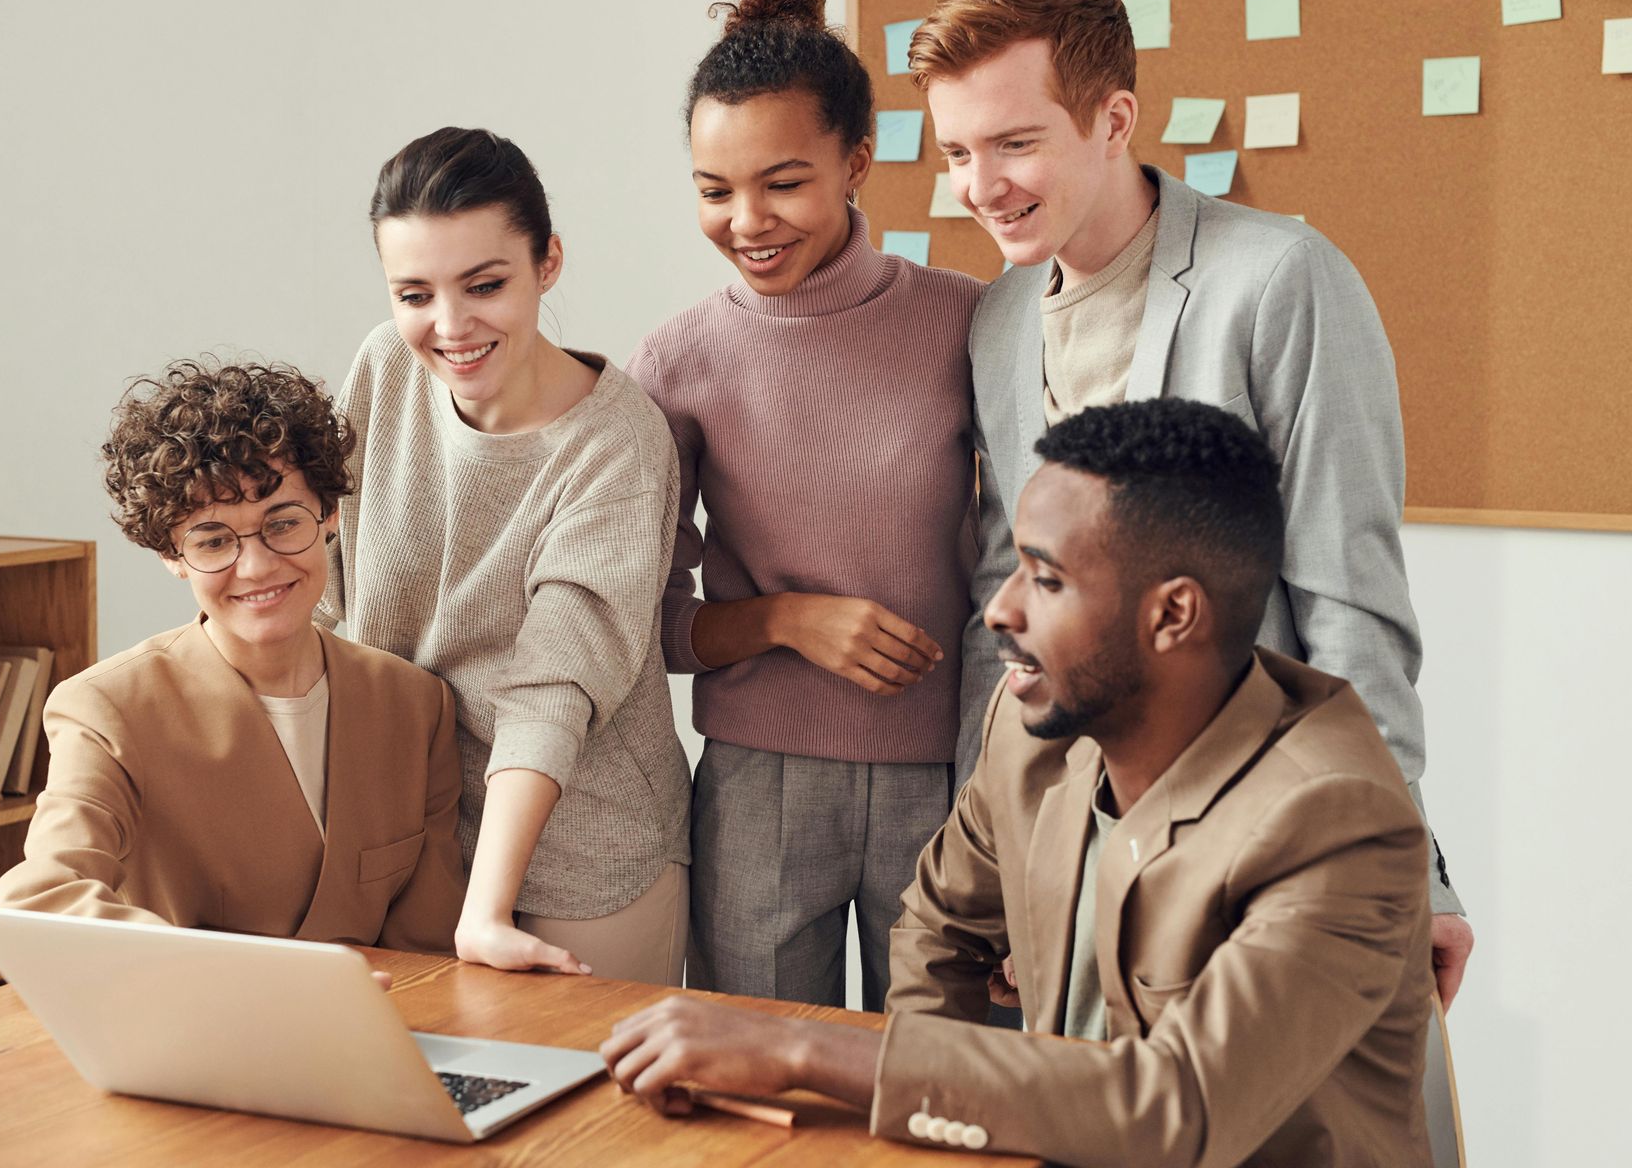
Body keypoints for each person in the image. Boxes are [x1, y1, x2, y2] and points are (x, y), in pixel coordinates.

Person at [602, 398, 1435, 1165]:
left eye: (1045, 578)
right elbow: (938, 928)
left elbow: (1178, 1107)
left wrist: (800, 1049)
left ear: (1173, 614)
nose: (1000, 610)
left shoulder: (1337, 818)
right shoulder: (1035, 730)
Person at [914, 0, 1471, 1006]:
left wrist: (1407, 869)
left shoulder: (1278, 279)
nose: (980, 187)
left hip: (1262, 823)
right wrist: (1004, 878)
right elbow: (1012, 616)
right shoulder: (995, 321)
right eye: (957, 151)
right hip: (1074, 837)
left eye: (1015, 143)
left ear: (1114, 121)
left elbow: (1353, 602)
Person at [625, 0, 983, 1011]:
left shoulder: (971, 326)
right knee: (764, 1106)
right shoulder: (676, 363)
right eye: (712, 188)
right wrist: (785, 619)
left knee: (947, 1091)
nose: (748, 219)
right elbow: (647, 622)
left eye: (783, 180)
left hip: (950, 781)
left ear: (857, 160)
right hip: (754, 787)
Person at [315, 127, 689, 986]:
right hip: (414, 831)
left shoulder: (616, 441)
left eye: (485, 285)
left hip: (584, 852)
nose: (451, 327)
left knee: (591, 1114)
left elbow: (555, 682)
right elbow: (329, 596)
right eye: (415, 294)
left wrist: (485, 908)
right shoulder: (383, 370)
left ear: (547, 263)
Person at [0, 359, 465, 957]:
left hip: (384, 1032)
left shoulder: (415, 704)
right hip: (195, 1034)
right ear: (170, 552)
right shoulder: (107, 709)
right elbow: (44, 902)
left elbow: (428, 943)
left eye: (283, 523)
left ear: (330, 517)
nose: (258, 566)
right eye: (214, 540)